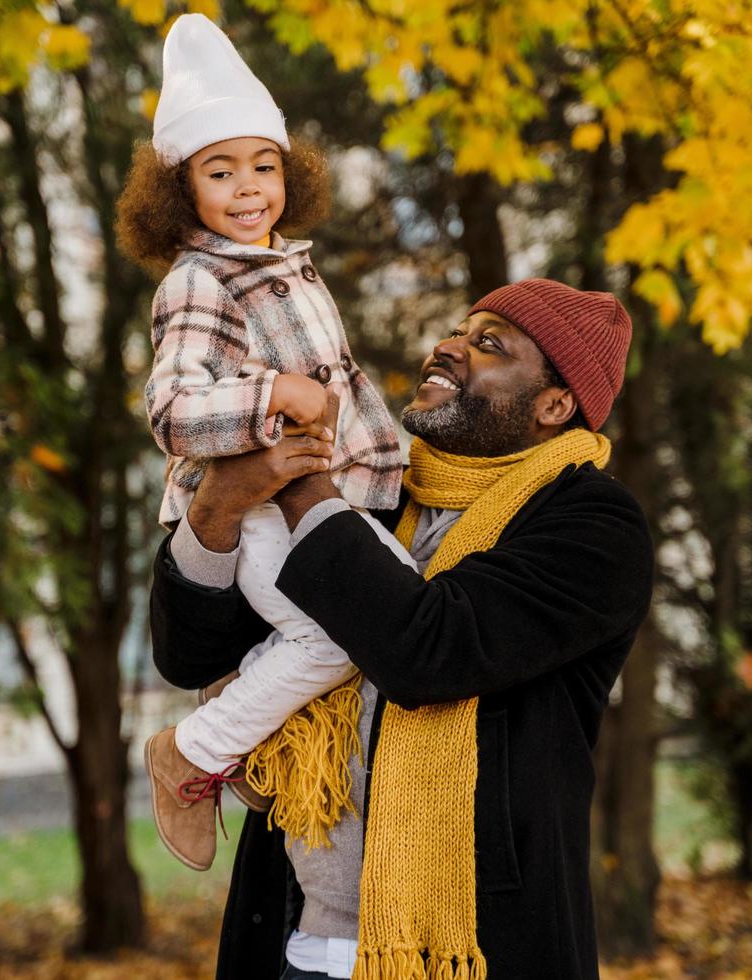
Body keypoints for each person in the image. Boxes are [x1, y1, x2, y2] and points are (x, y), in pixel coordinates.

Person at [150, 278, 656, 980]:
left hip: (473, 951)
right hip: (298, 940)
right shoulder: (376, 496)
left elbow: (429, 650)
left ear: (555, 404)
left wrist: (298, 477)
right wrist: (223, 499)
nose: (447, 348)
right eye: (458, 330)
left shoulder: (593, 527)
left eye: (487, 345)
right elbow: (192, 655)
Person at [116, 14, 409, 873]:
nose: (248, 188)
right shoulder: (199, 279)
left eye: (264, 165)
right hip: (258, 520)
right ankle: (194, 751)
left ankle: (242, 720)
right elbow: (171, 410)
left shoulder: (286, 265)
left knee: (391, 613)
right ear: (181, 192)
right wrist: (267, 397)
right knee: (337, 637)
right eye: (220, 171)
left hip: (323, 503)